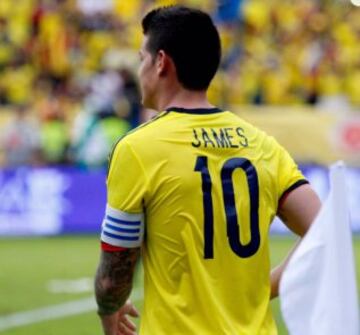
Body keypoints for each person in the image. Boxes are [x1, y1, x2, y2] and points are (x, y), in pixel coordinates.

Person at [94, 5, 321, 335]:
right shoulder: (263, 145)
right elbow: (325, 230)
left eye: (141, 57)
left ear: (161, 62)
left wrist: (108, 310)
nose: (139, 68)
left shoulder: (138, 149)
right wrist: (265, 288)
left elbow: (114, 273)